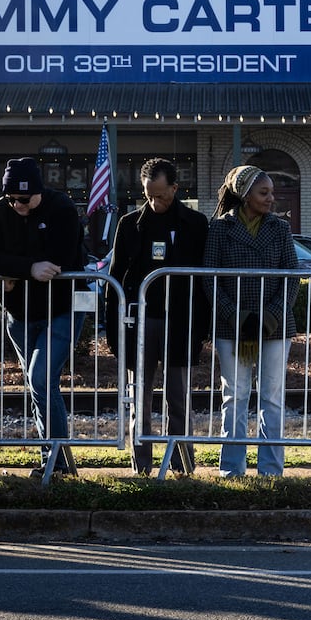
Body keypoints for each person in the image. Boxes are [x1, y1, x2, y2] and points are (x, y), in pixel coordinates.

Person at [0, 157, 88, 478]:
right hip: (20, 312)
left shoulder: (62, 208)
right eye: (11, 198)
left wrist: (12, 267)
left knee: (40, 378)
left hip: (62, 309)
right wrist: (25, 269)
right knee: (38, 385)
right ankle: (55, 461)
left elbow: (60, 260)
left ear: (39, 192)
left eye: (25, 199)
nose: (18, 205)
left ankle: (55, 460)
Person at [106, 158, 209, 475]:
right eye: (149, 194)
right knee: (140, 397)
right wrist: (114, 331)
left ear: (175, 189)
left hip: (180, 320)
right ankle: (142, 465)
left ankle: (182, 464)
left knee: (179, 398)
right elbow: (116, 278)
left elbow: (204, 280)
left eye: (161, 194)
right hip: (140, 321)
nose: (155, 201)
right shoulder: (129, 223)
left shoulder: (195, 223)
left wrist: (200, 328)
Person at [204, 165, 296, 478]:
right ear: (245, 196)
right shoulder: (220, 228)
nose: (271, 198)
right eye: (264, 192)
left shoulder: (280, 228)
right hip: (233, 327)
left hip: (275, 326)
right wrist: (235, 315)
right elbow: (210, 279)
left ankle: (271, 471)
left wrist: (272, 314)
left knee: (271, 397)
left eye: (272, 192)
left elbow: (292, 277)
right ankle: (232, 469)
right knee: (235, 396)